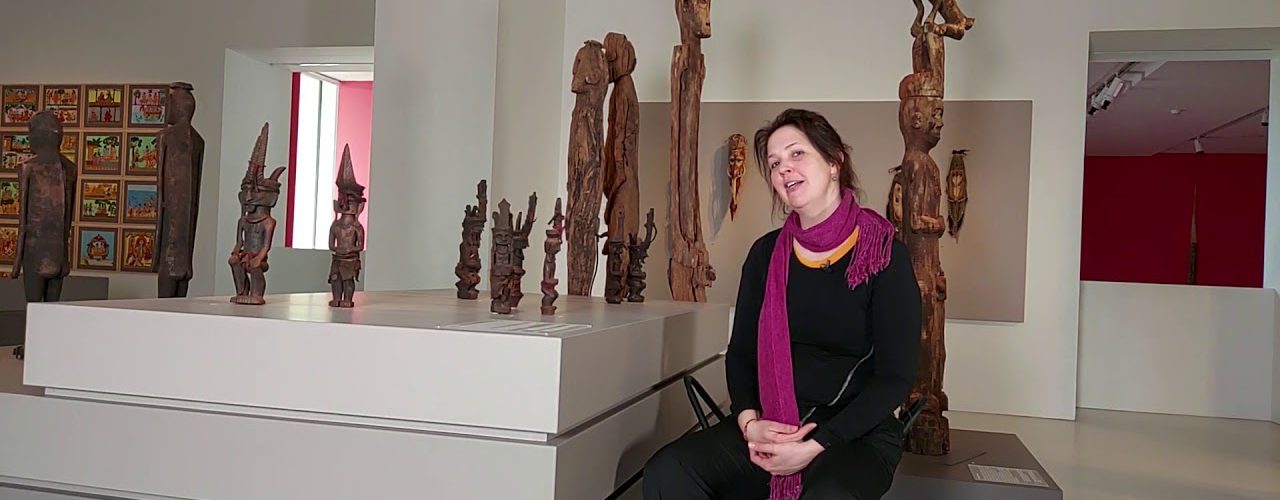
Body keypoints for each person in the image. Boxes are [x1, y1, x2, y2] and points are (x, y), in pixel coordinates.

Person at [642, 109, 921, 500]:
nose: (784, 169)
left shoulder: (883, 254)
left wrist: (816, 444)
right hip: (771, 422)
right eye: (774, 163)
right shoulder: (765, 255)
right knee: (669, 470)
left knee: (828, 495)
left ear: (834, 161)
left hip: (854, 433)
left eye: (796, 154)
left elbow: (895, 378)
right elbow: (741, 354)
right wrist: (749, 423)